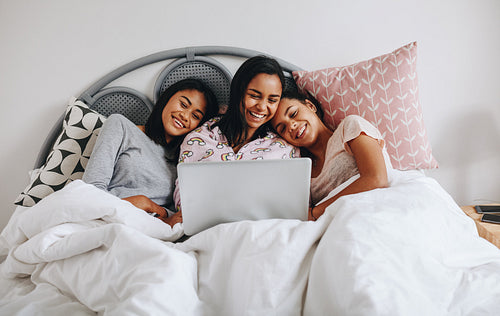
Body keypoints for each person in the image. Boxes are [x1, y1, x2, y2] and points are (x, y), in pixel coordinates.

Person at [82, 78, 219, 227]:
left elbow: (182, 214)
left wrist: (157, 210)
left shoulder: (187, 159)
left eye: (195, 116)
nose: (185, 116)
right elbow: (90, 191)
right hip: (104, 220)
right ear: (167, 98)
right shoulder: (120, 126)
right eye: (183, 104)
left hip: (153, 229)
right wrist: (141, 203)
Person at [173, 55, 298, 211]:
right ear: (238, 91)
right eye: (254, 96)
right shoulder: (199, 138)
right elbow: (182, 197)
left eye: (272, 100)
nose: (262, 107)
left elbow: (295, 202)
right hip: (210, 226)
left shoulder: (283, 149)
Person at [270, 90, 392, 221]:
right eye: (282, 128)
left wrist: (315, 212)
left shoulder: (349, 126)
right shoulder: (304, 173)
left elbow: (377, 179)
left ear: (310, 106)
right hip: (342, 224)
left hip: (378, 211)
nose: (291, 125)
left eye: (293, 113)